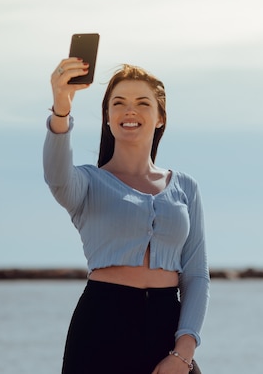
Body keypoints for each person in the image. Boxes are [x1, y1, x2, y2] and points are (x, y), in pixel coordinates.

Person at [43, 57, 209, 374]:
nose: (129, 110)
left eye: (142, 103)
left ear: (160, 117)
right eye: (118, 103)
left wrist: (183, 352)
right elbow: (56, 176)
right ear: (107, 117)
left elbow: (196, 276)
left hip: (167, 330)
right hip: (100, 328)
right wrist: (61, 108)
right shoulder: (87, 182)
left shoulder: (186, 187)